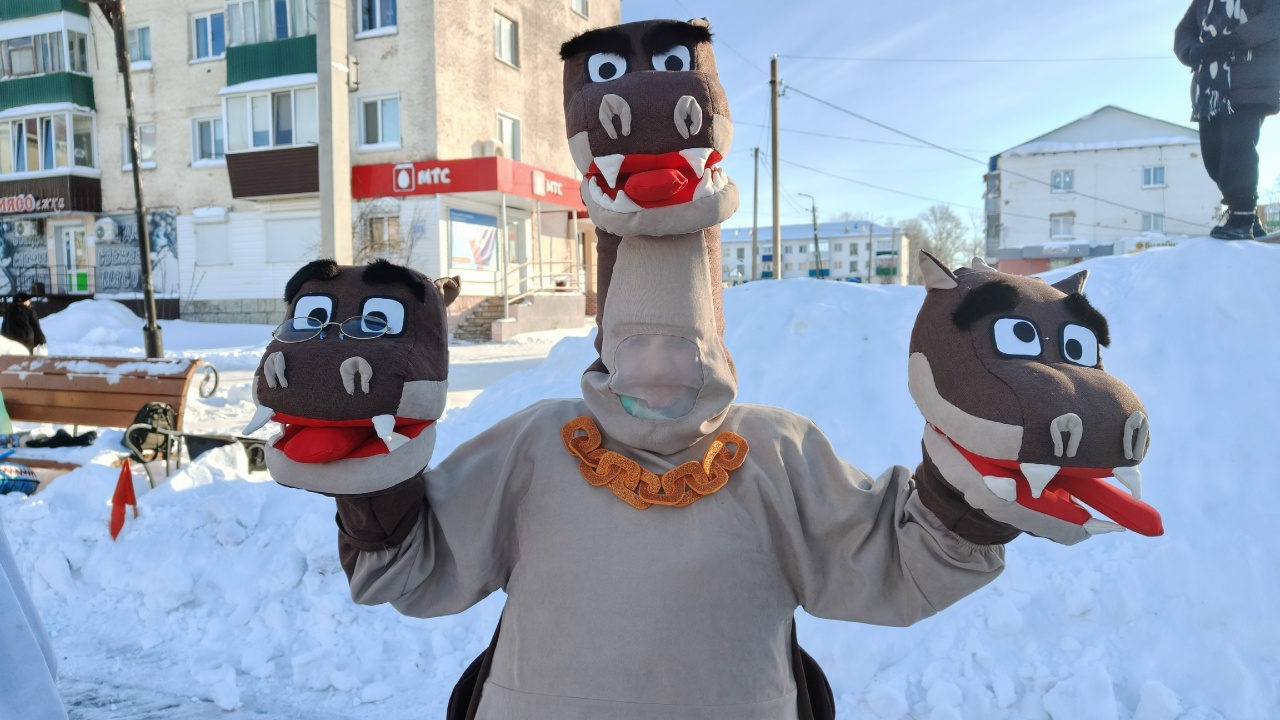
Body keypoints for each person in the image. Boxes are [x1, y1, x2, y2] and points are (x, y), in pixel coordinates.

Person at [1175, 0, 1280, 240]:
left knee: (1237, 147)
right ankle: (1248, 217)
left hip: (1251, 82)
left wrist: (1234, 40)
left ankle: (1242, 215)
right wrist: (1192, 51)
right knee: (1214, 157)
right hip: (1209, 90)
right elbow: (1184, 32)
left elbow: (1275, 19)